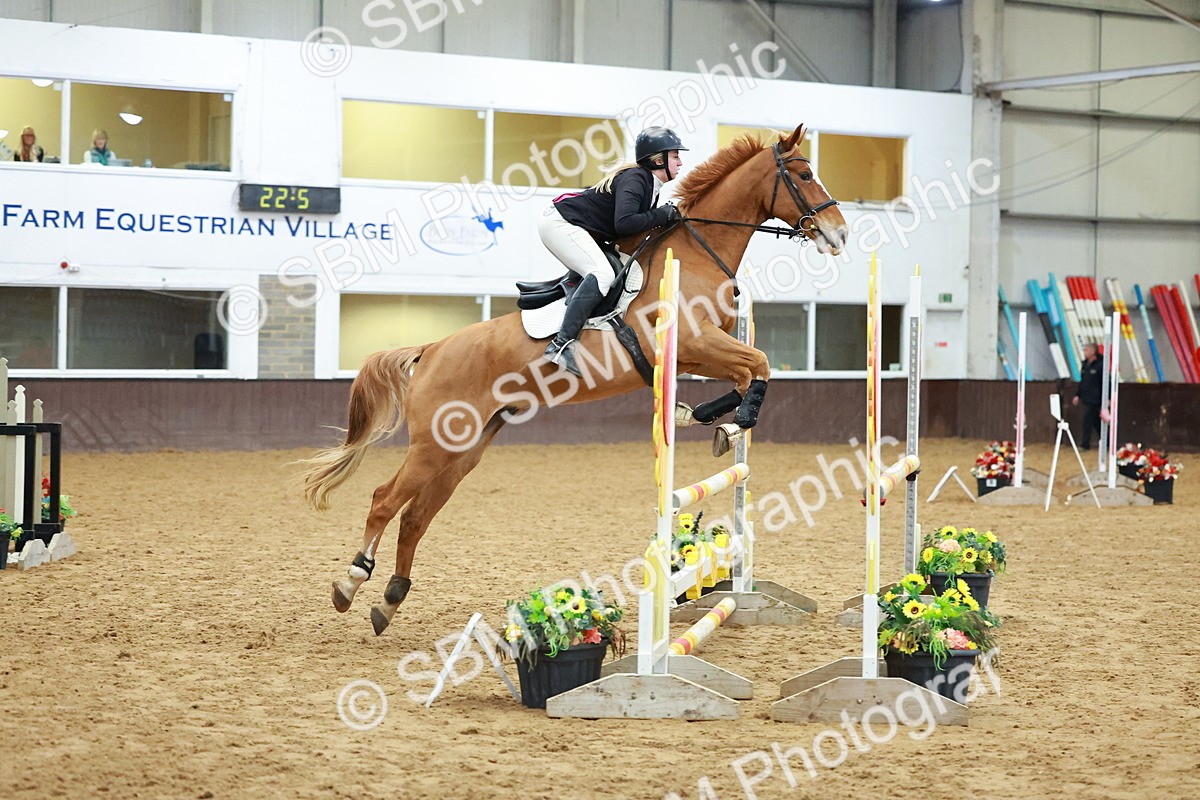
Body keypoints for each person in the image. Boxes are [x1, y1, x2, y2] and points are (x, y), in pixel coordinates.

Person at [537, 126, 687, 376]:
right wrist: (662, 215)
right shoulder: (636, 179)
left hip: (575, 226)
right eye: (675, 156)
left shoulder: (649, 184)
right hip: (560, 224)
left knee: (607, 269)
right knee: (603, 274)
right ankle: (561, 345)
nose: (680, 162)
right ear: (658, 159)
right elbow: (624, 223)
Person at [1072, 341, 1104, 449]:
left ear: (1093, 351)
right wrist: (1078, 395)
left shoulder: (1100, 365)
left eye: (1086, 350)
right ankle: (1106, 440)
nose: (1084, 352)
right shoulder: (1085, 365)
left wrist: (1107, 397)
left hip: (1096, 398)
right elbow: (1083, 381)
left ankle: (1085, 444)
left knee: (1088, 420)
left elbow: (1105, 382)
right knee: (1095, 421)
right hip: (1086, 397)